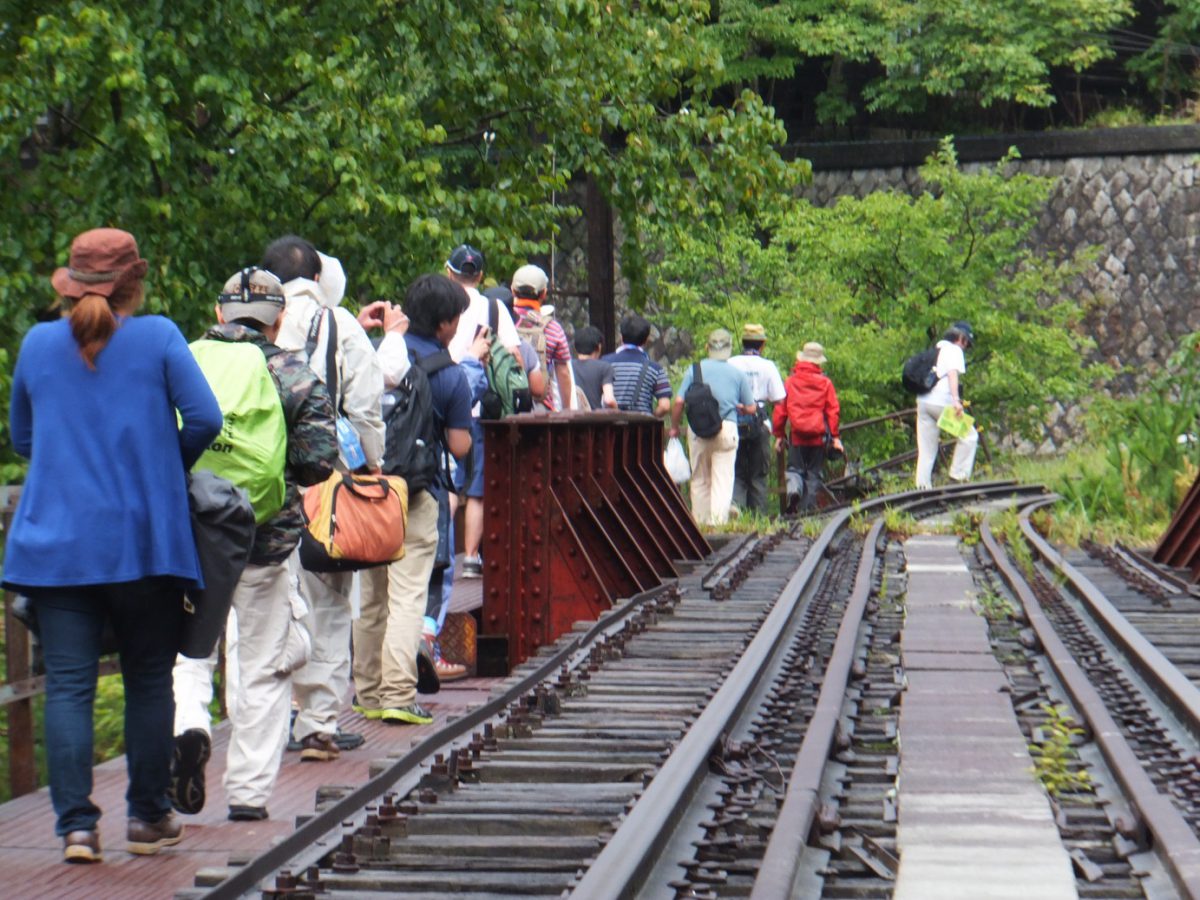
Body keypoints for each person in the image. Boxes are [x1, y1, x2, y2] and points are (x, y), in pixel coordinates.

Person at [2, 228, 223, 862]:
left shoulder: (39, 344)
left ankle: (77, 828)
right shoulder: (158, 338)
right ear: (135, 283)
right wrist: (160, 463)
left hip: (57, 546)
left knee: (67, 686)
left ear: (71, 286)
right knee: (149, 681)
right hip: (144, 542)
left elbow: (24, 439)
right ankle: (147, 818)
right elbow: (205, 417)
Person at [171, 268, 337, 823]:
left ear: (219, 313)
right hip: (264, 539)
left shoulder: (181, 358)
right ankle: (247, 794)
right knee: (264, 663)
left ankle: (189, 724)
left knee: (187, 650)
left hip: (190, 535)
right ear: (279, 318)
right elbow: (318, 464)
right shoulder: (294, 373)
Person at [262, 236, 384, 761]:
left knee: (263, 605)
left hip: (259, 488)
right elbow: (365, 408)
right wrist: (372, 467)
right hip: (325, 487)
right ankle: (317, 725)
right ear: (316, 277)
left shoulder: (249, 326)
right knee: (330, 605)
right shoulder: (341, 325)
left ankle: (271, 718)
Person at [352, 274, 475, 725]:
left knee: (372, 597)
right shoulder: (449, 374)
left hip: (369, 485)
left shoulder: (378, 354)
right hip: (417, 492)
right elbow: (460, 446)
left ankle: (365, 691)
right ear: (445, 324)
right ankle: (399, 695)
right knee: (407, 596)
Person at [445, 246, 521, 581]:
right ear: (479, 276)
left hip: (441, 398)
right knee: (476, 485)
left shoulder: (439, 301)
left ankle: (440, 550)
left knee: (446, 478)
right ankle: (472, 557)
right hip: (478, 406)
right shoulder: (494, 308)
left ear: (449, 272)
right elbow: (515, 358)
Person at [669, 329, 754, 526]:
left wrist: (674, 426)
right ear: (730, 348)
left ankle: (700, 525)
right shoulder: (737, 373)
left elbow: (679, 401)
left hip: (698, 430)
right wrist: (739, 407)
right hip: (726, 429)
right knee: (722, 480)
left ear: (708, 348)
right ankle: (717, 525)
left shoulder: (694, 370)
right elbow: (750, 408)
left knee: (699, 479)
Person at [773, 342, 843, 513]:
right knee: (813, 475)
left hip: (797, 436)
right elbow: (833, 411)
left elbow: (780, 410)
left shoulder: (790, 382)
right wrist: (835, 437)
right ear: (818, 362)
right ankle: (807, 510)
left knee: (794, 470)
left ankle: (794, 490)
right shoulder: (825, 383)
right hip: (817, 438)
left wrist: (779, 435)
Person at [728, 324, 786, 515]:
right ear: (762, 345)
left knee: (736, 472)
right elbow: (780, 398)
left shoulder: (731, 363)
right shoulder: (768, 366)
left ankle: (736, 510)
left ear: (743, 343)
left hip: (734, 422)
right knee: (758, 474)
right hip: (760, 423)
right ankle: (759, 518)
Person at [914, 321, 978, 489]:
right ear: (960, 338)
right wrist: (956, 401)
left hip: (923, 402)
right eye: (966, 343)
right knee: (970, 436)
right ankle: (958, 477)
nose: (966, 347)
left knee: (927, 450)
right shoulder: (954, 350)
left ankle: (922, 488)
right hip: (941, 402)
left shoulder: (936, 349)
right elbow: (952, 374)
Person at [511, 264, 574, 412]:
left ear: (513, 291)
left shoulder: (504, 319)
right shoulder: (552, 328)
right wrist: (566, 409)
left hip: (505, 404)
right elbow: (563, 372)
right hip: (539, 408)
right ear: (544, 294)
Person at [603, 314, 672, 416]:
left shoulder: (604, 363)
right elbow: (665, 406)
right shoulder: (655, 369)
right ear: (646, 340)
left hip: (610, 428)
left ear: (621, 337)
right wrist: (650, 419)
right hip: (642, 428)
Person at [571, 325, 618, 410]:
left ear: (575, 347)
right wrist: (618, 413)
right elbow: (609, 400)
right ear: (599, 347)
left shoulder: (568, 366)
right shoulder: (604, 367)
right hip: (594, 420)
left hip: (571, 419)